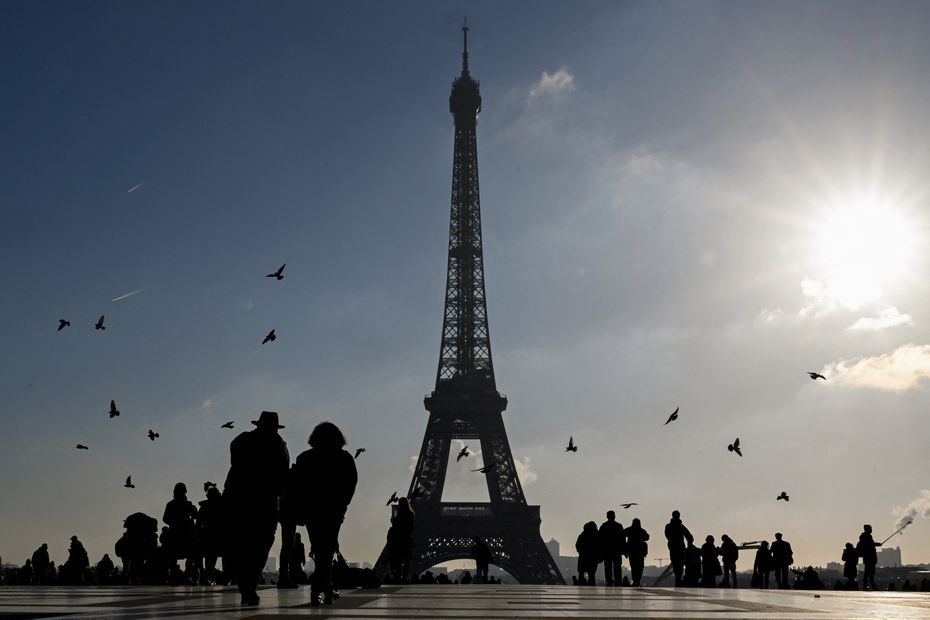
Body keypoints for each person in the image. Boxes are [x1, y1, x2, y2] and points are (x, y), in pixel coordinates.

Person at [222, 410, 290, 606]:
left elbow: (235, 462)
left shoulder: (242, 440)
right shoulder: (279, 445)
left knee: (242, 542)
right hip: (265, 501)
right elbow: (283, 476)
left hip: (240, 500)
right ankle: (249, 584)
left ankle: (245, 582)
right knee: (261, 543)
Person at [292, 421, 357, 606]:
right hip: (333, 510)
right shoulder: (344, 458)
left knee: (320, 548)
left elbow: (297, 485)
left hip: (312, 509)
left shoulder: (305, 458)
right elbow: (351, 484)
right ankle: (325, 588)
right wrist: (342, 505)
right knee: (327, 549)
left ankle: (320, 589)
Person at [163, 482, 199, 584]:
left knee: (175, 557)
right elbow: (196, 515)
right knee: (189, 555)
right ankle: (185, 576)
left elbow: (165, 519)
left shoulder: (171, 504)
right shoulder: (186, 504)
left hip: (175, 533)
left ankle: (174, 577)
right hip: (184, 534)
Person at [196, 486, 224, 585]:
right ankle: (207, 575)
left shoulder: (204, 508)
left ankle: (204, 575)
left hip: (205, 536)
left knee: (207, 557)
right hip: (216, 536)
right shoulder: (220, 507)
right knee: (212, 558)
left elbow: (198, 524)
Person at [387, 497, 415, 583]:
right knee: (406, 559)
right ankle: (404, 577)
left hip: (397, 538)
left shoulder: (399, 514)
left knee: (397, 559)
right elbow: (411, 527)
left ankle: (398, 576)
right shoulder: (411, 514)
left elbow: (395, 524)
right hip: (405, 538)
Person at [664, 510, 693, 586]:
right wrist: (689, 543)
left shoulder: (669, 526)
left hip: (673, 547)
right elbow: (689, 536)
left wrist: (672, 540)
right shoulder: (681, 526)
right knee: (680, 564)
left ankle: (678, 580)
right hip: (680, 547)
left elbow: (667, 535)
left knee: (676, 564)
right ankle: (678, 580)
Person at [598, 510, 625, 586]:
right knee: (617, 567)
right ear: (614, 516)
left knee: (608, 567)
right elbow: (623, 539)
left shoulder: (604, 526)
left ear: (607, 516)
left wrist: (601, 551)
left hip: (607, 550)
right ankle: (618, 581)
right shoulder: (619, 526)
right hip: (617, 550)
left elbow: (600, 539)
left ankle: (609, 581)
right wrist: (623, 550)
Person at [624, 518, 649, 587]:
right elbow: (647, 537)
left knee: (633, 567)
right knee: (640, 567)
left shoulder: (629, 530)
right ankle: (637, 580)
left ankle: (635, 580)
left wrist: (625, 551)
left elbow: (622, 534)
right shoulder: (642, 531)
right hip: (640, 552)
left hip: (632, 551)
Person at [856, 524, 881, 591]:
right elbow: (869, 545)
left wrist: (876, 544)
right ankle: (871, 586)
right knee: (870, 573)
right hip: (870, 557)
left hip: (867, 558)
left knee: (868, 572)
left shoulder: (865, 537)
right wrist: (877, 544)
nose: (871, 530)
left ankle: (867, 586)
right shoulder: (867, 537)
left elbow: (869, 544)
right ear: (867, 529)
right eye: (870, 528)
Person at [575, 521, 600, 585]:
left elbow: (577, 545)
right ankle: (591, 584)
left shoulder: (582, 535)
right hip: (593, 557)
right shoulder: (597, 535)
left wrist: (581, 552)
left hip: (583, 556)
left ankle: (581, 583)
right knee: (591, 574)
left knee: (581, 572)